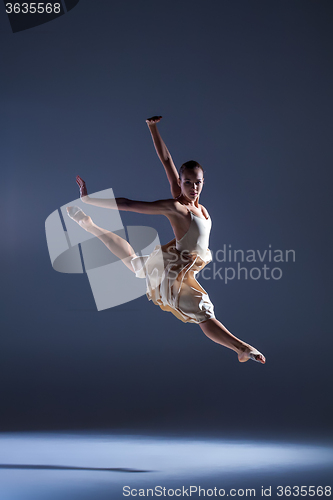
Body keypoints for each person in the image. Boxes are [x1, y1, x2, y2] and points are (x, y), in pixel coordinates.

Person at [67, 116, 265, 364]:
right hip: (178, 267)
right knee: (203, 310)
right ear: (181, 183)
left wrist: (153, 128)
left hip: (184, 260)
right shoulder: (177, 207)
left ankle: (88, 225)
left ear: (204, 182)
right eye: (188, 183)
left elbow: (166, 160)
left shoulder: (197, 207)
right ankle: (241, 348)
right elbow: (129, 204)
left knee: (137, 265)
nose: (193, 188)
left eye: (198, 183)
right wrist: (89, 200)